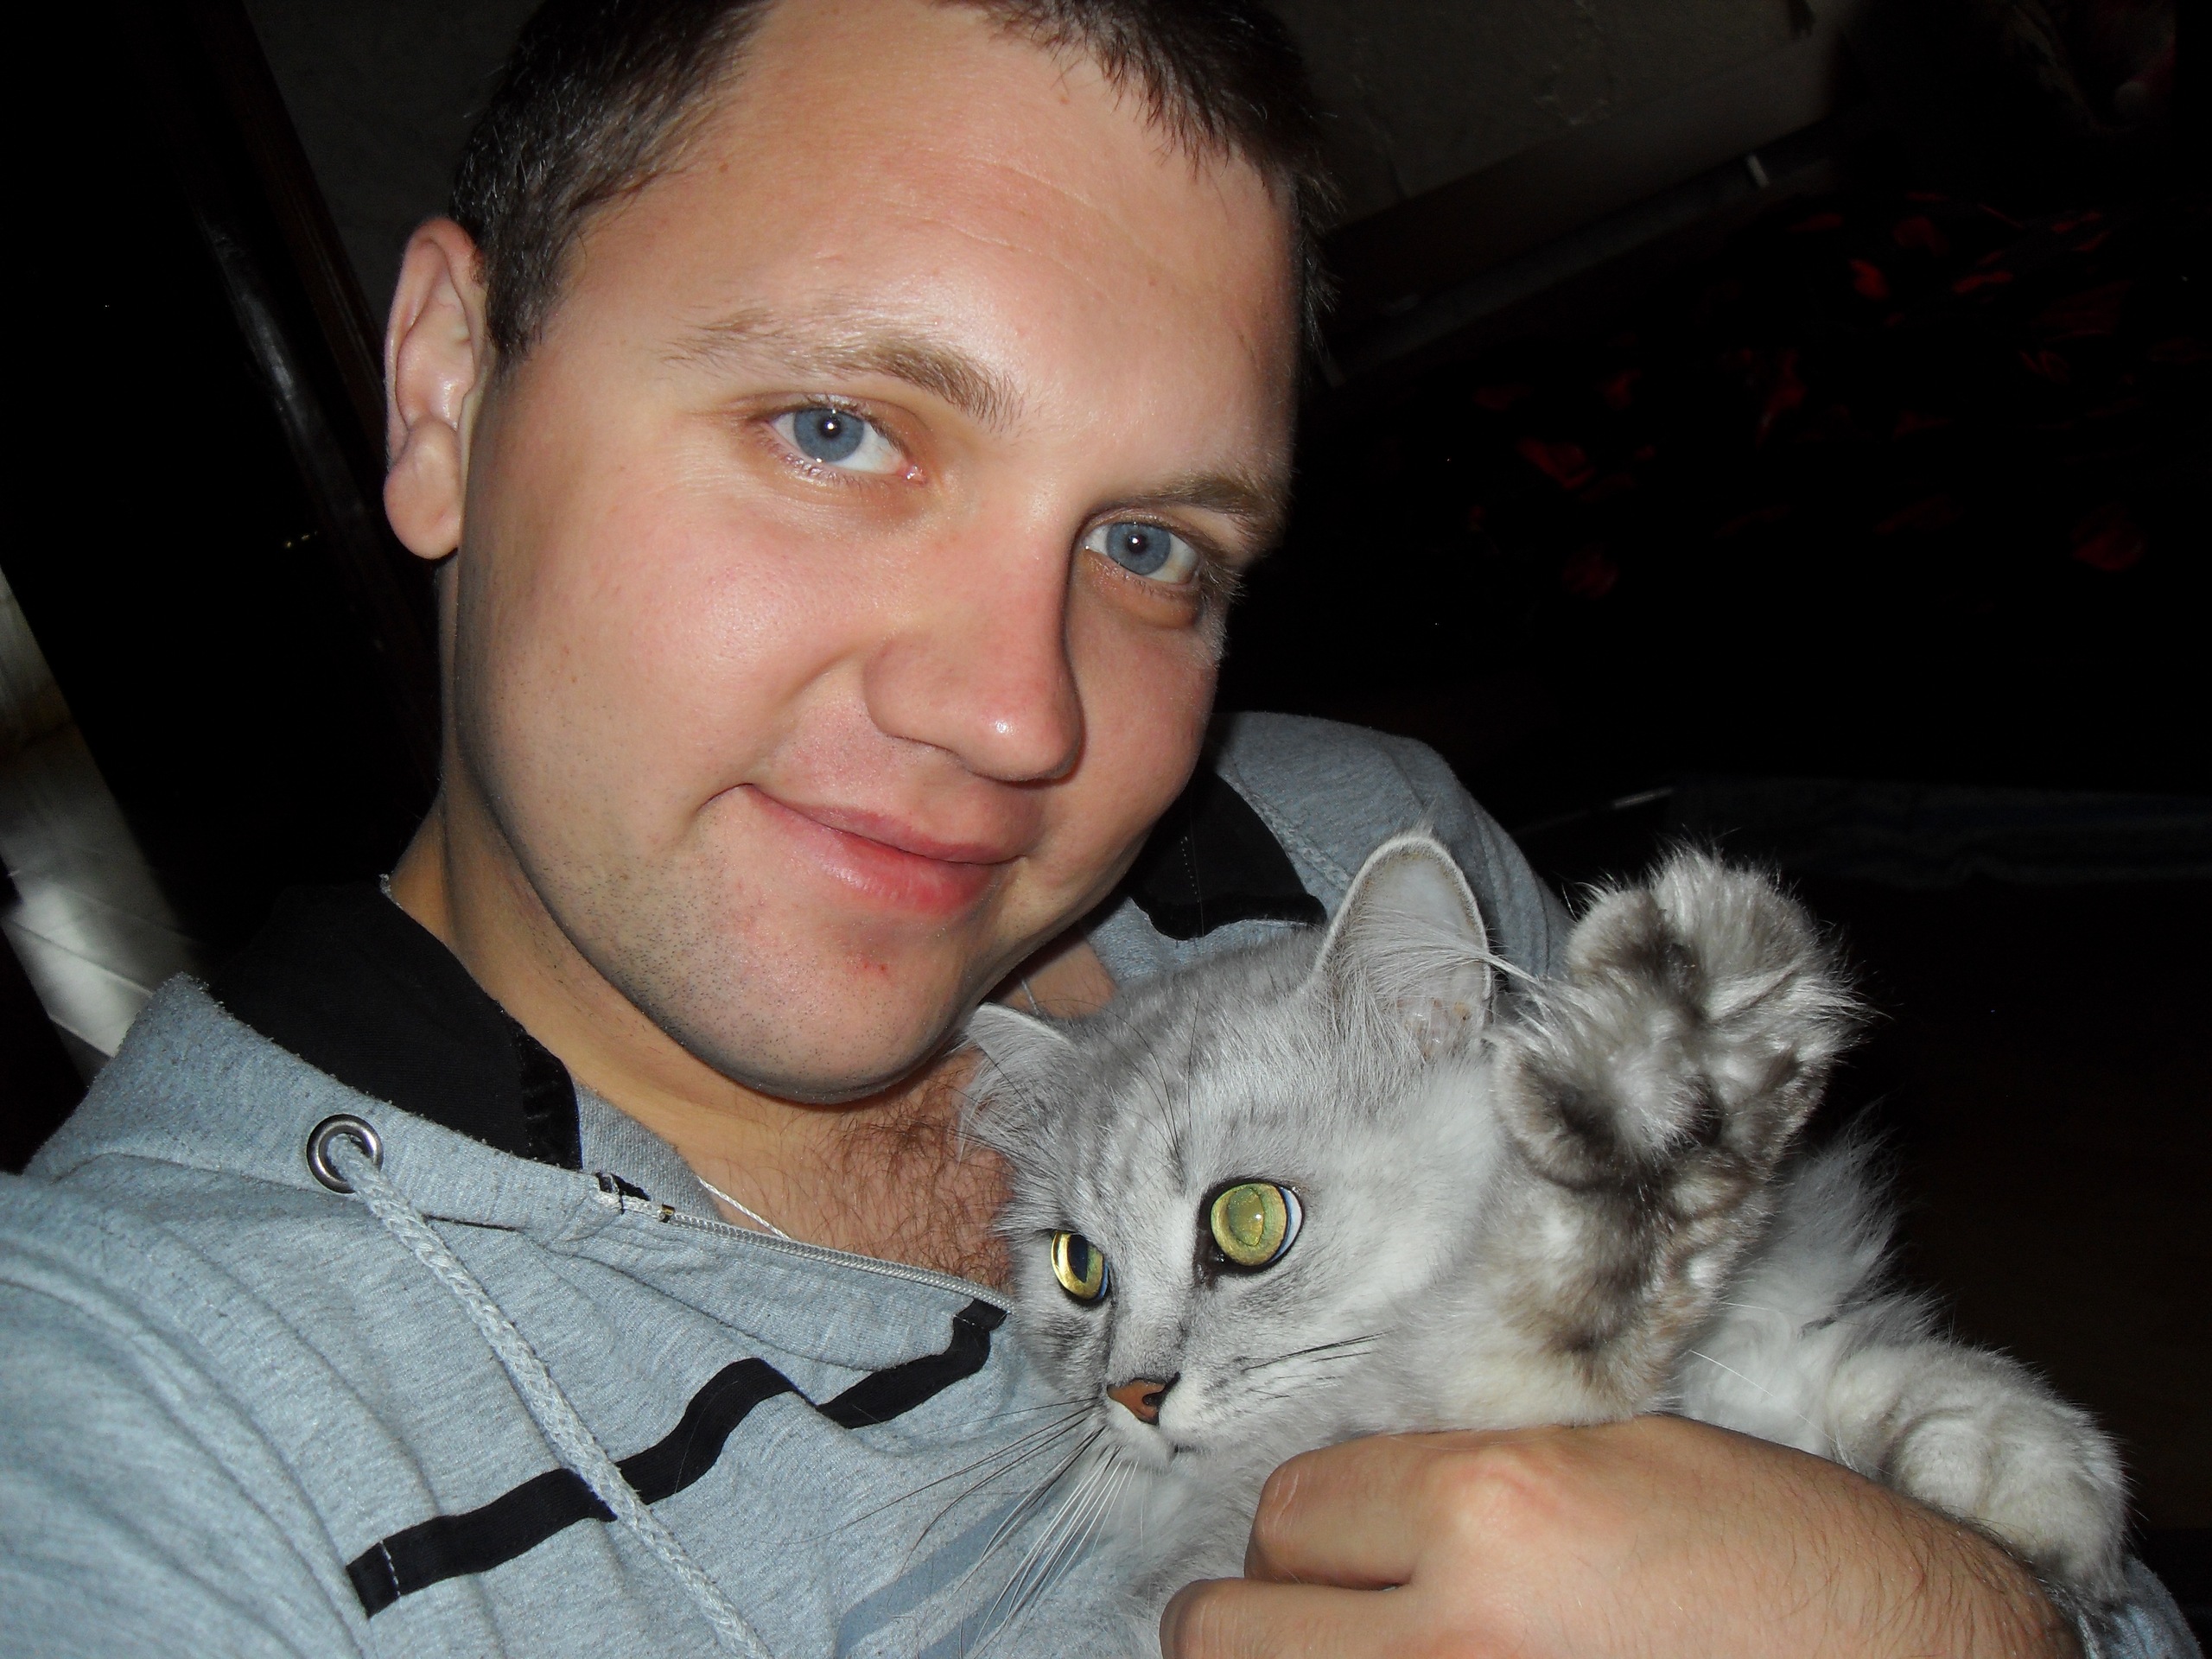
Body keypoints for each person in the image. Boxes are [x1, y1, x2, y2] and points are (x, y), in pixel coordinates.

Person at [0, 1, 2195, 1655]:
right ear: (445, 388)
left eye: (1149, 544)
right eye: (836, 426)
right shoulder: (118, 1421)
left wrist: (1953, 1623)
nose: (1014, 713)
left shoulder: (1352, 842)